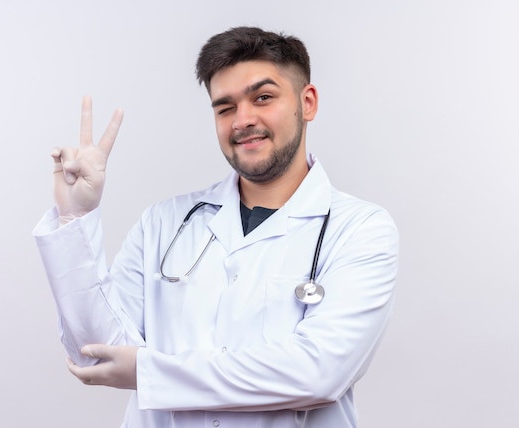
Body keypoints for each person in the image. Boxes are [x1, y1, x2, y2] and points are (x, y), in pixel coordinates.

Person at [34, 26, 399, 428]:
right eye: (225, 107)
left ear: (306, 102)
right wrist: (75, 217)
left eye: (263, 97)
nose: (242, 120)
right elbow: (95, 352)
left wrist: (150, 372)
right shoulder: (163, 223)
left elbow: (318, 372)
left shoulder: (361, 229)